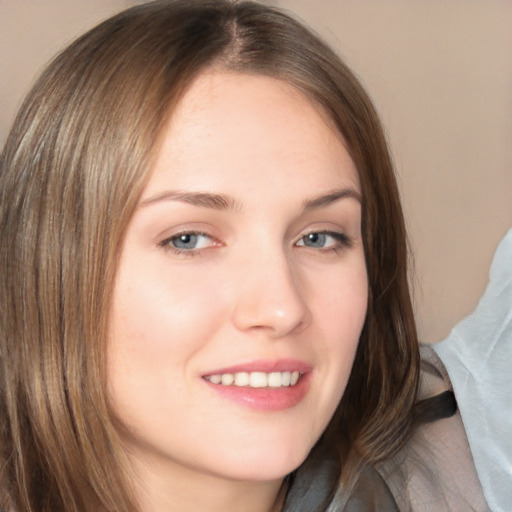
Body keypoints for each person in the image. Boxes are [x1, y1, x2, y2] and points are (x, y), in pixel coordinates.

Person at [0, 1, 489, 511]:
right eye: (188, 239)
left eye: (319, 237)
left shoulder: (470, 472)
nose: (281, 308)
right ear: (49, 269)